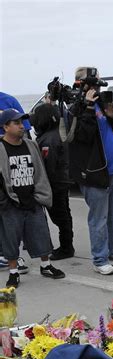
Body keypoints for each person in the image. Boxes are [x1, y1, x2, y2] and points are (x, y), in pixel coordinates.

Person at [68, 67, 113, 275]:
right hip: (94, 173)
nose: (98, 85)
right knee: (99, 218)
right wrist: (87, 106)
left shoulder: (101, 102)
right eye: (95, 82)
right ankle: (100, 259)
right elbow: (82, 136)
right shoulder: (75, 109)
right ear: (82, 84)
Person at [0, 109, 65, 288]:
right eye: (16, 123)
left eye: (22, 122)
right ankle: (13, 273)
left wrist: (40, 196)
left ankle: (46, 265)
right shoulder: (1, 148)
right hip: (10, 203)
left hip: (33, 199)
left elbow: (39, 170)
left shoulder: (31, 145)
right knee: (11, 239)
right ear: (5, 127)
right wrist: (4, 202)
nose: (22, 126)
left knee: (41, 234)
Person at [33, 103, 75, 260]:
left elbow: (48, 166)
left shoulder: (48, 140)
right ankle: (67, 246)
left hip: (54, 184)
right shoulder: (57, 134)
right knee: (64, 215)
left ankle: (66, 248)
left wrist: (42, 186)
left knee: (60, 217)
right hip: (62, 182)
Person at [0, 91, 31, 274]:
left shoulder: (8, 100)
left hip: (8, 163)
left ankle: (11, 254)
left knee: (9, 210)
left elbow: (24, 129)